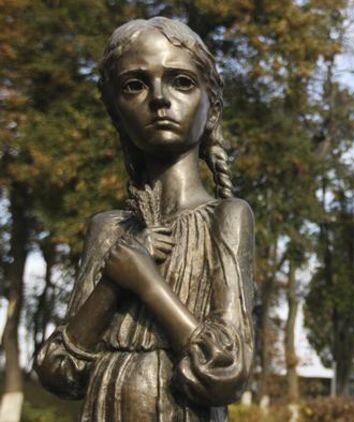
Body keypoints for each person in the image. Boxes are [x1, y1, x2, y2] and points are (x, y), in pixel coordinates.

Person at [33, 17, 254, 421]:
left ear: (213, 109)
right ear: (116, 113)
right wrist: (110, 285)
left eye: (181, 82)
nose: (159, 99)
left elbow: (227, 373)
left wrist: (147, 283)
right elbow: (58, 371)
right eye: (135, 85)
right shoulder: (109, 229)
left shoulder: (226, 218)